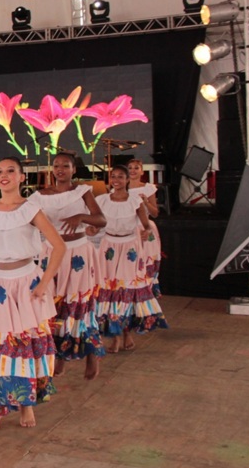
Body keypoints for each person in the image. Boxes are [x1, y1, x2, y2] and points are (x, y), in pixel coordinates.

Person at [0, 158, 63, 431]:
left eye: (11, 171)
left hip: (25, 283)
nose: (4, 175)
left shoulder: (30, 209)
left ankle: (26, 404)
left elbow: (58, 246)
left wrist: (44, 283)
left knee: (22, 345)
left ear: (22, 177)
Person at [30, 153, 106, 380]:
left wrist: (81, 217)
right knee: (54, 304)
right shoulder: (39, 196)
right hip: (51, 254)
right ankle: (60, 355)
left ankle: (92, 354)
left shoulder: (82, 191)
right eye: (56, 165)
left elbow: (101, 220)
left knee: (79, 302)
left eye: (66, 166)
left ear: (74, 170)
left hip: (78, 254)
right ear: (51, 169)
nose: (60, 169)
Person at [89, 165, 168, 353]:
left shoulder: (135, 200)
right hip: (109, 246)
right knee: (110, 288)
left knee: (127, 289)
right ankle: (114, 337)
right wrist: (91, 229)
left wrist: (146, 232)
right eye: (113, 176)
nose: (116, 180)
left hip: (129, 247)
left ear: (126, 180)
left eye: (120, 177)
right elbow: (95, 222)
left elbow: (145, 224)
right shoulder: (101, 200)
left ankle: (126, 334)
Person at [127, 158, 162, 296]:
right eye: (130, 168)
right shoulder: (121, 188)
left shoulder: (148, 188)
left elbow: (155, 213)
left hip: (144, 226)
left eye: (136, 168)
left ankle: (148, 289)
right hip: (128, 228)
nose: (133, 171)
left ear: (141, 171)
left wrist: (146, 202)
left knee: (146, 260)